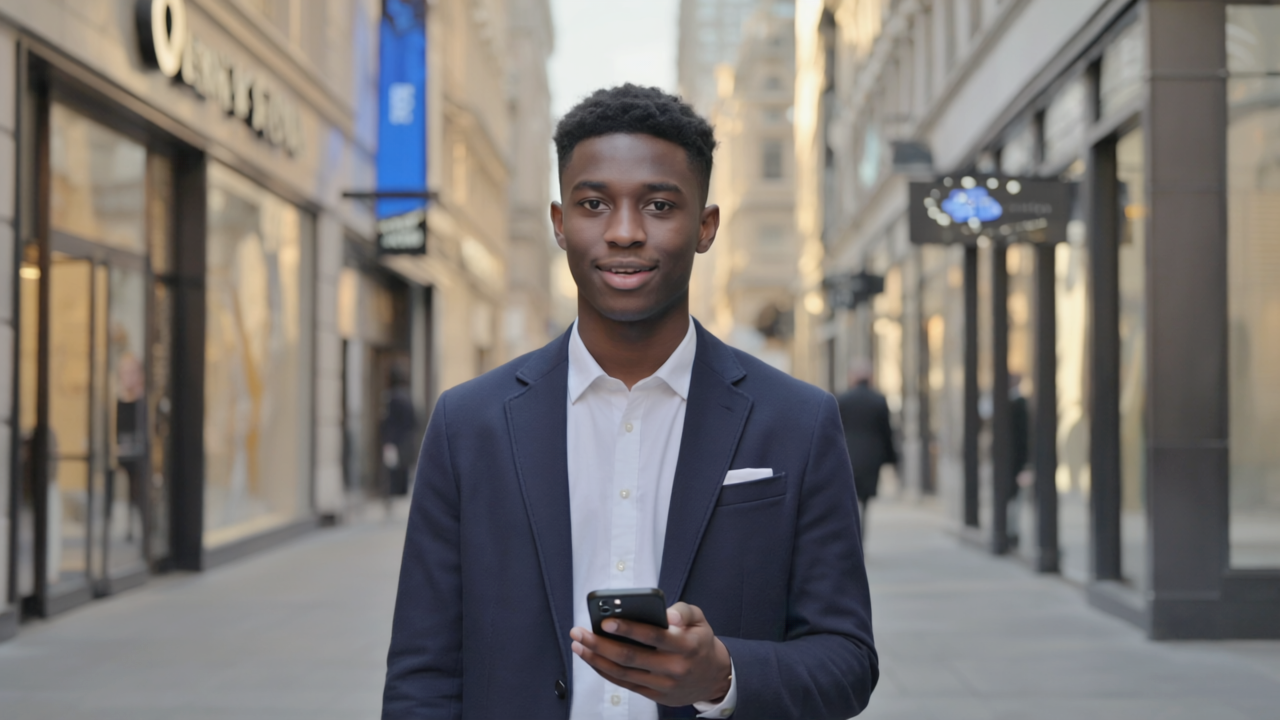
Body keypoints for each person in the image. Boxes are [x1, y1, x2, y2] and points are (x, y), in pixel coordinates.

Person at [382, 84, 877, 719]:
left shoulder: (798, 421)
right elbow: (422, 673)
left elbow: (847, 661)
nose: (623, 232)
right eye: (594, 204)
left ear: (705, 227)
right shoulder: (468, 424)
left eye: (659, 205)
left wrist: (723, 675)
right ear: (560, 224)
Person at [835, 360, 897, 539]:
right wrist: (891, 458)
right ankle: (861, 535)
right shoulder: (879, 400)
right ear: (870, 377)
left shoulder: (842, 399)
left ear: (852, 377)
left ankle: (853, 536)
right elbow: (887, 431)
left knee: (849, 498)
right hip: (871, 457)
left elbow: (834, 431)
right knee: (865, 500)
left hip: (847, 456)